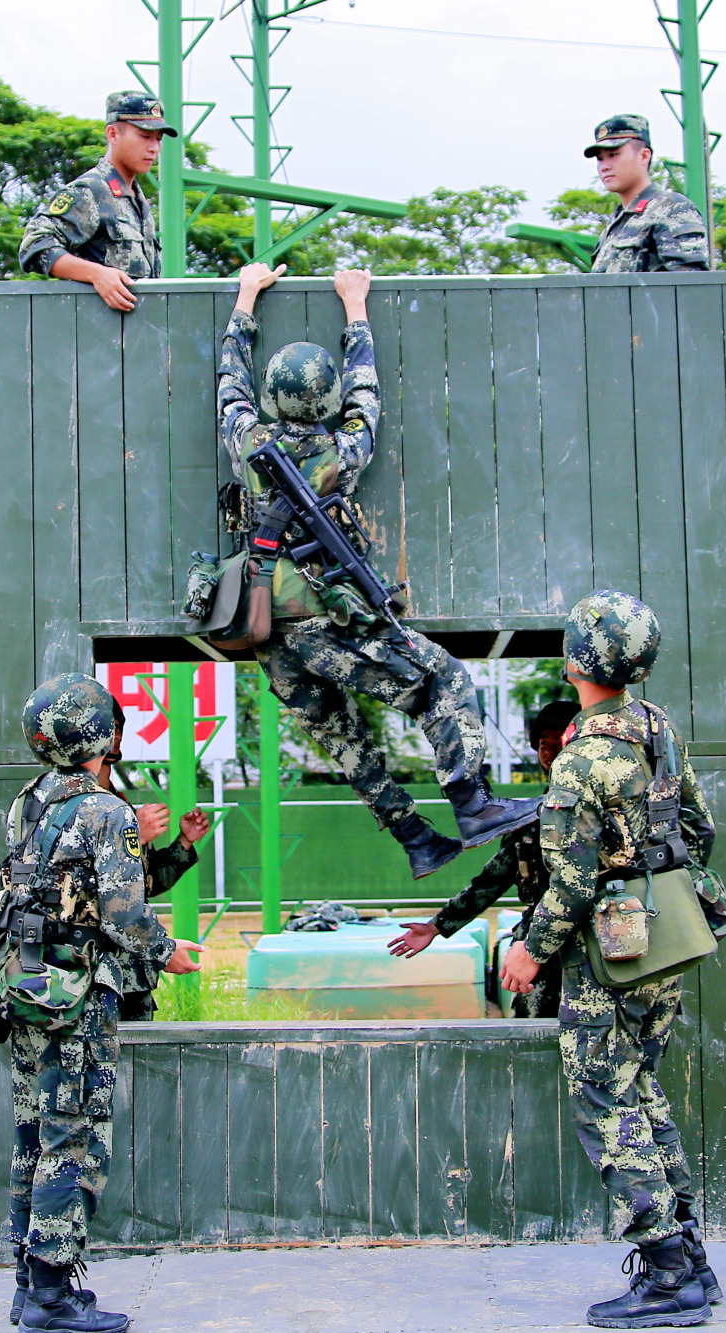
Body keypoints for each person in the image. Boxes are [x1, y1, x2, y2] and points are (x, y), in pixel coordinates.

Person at [217, 262, 538, 879]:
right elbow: (368, 395)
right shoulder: (342, 452)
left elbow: (229, 379)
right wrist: (355, 308)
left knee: (345, 741)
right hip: (324, 621)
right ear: (327, 401)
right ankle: (471, 805)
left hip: (263, 625)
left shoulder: (244, 438)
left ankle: (418, 838)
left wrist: (246, 298)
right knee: (443, 681)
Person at [499, 593, 723, 1328]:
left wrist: (531, 954)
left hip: (609, 956)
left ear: (573, 665)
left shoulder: (582, 757)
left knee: (602, 1095)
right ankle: (689, 1255)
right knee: (641, 1087)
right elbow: (699, 827)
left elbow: (570, 881)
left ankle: (664, 1270)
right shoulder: (655, 726)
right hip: (668, 937)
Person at [0, 673, 205, 1332]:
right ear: (97, 734)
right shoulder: (106, 812)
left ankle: (30, 1286)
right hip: (77, 996)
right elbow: (124, 913)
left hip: (27, 986)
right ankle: (52, 1300)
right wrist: (167, 949)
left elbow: (56, 894)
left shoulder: (27, 803)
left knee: (33, 1133)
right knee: (70, 1137)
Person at [387, 699, 579, 1018]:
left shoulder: (603, 807)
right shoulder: (532, 814)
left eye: (558, 743)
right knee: (533, 1032)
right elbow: (493, 878)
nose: (549, 753)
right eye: (544, 744)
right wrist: (437, 926)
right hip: (540, 942)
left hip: (592, 939)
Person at [96, 696, 211, 1021]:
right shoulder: (77, 803)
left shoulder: (118, 802)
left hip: (131, 973)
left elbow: (143, 886)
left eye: (119, 728)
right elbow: (85, 885)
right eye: (108, 727)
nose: (115, 735)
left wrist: (183, 843)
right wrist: (133, 836)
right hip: (90, 977)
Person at [17, 91, 173, 312]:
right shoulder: (91, 190)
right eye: (144, 136)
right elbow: (34, 244)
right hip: (95, 335)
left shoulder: (139, 202)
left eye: (158, 138)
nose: (154, 148)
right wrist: (96, 274)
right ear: (113, 134)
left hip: (136, 335)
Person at [582, 114, 712, 274]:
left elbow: (689, 287)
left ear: (644, 156)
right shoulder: (616, 224)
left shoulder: (670, 208)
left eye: (613, 155)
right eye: (600, 159)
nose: (604, 166)